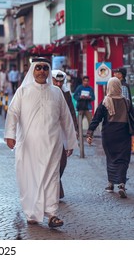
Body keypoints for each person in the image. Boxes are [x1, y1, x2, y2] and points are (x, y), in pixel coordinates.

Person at [4, 57, 77, 228]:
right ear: (32, 70)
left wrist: (71, 142)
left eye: (45, 68)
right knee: (30, 178)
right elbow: (13, 113)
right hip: (28, 145)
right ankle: (32, 213)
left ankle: (52, 214)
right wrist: (10, 134)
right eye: (38, 68)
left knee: (52, 178)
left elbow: (66, 118)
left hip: (52, 144)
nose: (42, 71)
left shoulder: (57, 92)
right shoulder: (23, 91)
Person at [86, 77, 133, 198]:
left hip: (109, 134)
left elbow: (97, 118)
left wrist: (90, 132)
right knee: (123, 159)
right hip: (123, 133)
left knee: (111, 158)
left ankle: (111, 184)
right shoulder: (127, 102)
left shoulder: (105, 101)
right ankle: (121, 184)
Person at [52, 70, 79, 199]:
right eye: (55, 81)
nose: (58, 84)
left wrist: (75, 129)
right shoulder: (46, 92)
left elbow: (71, 111)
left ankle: (55, 187)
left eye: (60, 82)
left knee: (62, 162)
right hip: (47, 131)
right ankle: (53, 191)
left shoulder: (66, 92)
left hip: (63, 130)